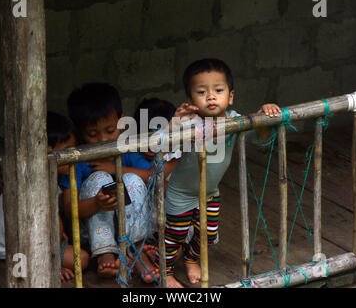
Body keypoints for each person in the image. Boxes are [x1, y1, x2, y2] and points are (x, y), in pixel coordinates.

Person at [154, 58, 281, 288]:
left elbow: (262, 139)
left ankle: (192, 258)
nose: (211, 96)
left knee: (208, 235)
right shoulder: (189, 123)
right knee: (174, 237)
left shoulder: (235, 121)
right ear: (191, 99)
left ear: (230, 96)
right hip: (181, 194)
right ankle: (167, 272)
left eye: (218, 90)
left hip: (210, 192)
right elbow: (159, 147)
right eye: (202, 92)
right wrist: (173, 123)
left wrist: (265, 116)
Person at [65, 83, 159, 283]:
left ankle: (138, 252)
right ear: (81, 133)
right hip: (92, 235)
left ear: (122, 121)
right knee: (98, 179)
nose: (103, 139)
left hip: (136, 230)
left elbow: (155, 179)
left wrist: (116, 170)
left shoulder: (128, 150)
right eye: (92, 134)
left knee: (132, 179)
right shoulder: (78, 160)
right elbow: (67, 209)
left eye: (110, 130)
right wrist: (97, 204)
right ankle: (105, 254)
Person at [0, 111, 90, 283]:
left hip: (42, 242)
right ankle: (45, 266)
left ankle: (48, 261)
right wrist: (52, 265)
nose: (72, 155)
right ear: (45, 151)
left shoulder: (51, 180)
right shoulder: (32, 187)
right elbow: (26, 232)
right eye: (67, 150)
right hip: (18, 248)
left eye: (74, 148)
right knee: (77, 260)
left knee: (81, 258)